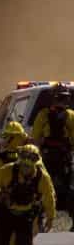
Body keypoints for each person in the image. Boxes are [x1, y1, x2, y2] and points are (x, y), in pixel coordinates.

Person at [31, 89, 74, 229]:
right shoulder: (70, 115)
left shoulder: (43, 115)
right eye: (64, 99)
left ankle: (40, 221)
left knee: (42, 186)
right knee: (68, 187)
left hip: (50, 156)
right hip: (62, 157)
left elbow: (35, 136)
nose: (65, 102)